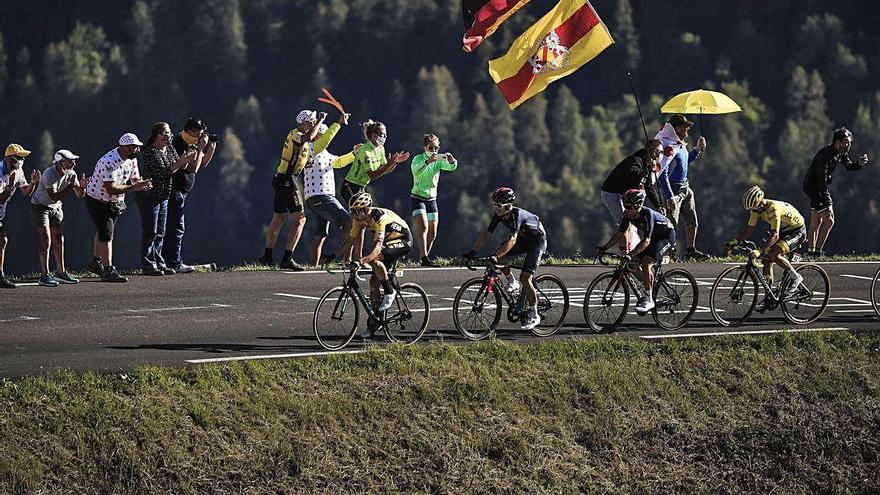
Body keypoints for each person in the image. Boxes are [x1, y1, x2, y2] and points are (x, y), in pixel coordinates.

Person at [261, 109, 348, 269]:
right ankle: (287, 258)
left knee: (279, 218)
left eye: (315, 120)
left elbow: (317, 146)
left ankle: (267, 256)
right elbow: (311, 138)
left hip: (281, 177)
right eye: (312, 121)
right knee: (300, 219)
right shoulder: (297, 135)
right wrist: (327, 121)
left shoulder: (306, 141)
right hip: (287, 178)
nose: (315, 122)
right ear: (304, 123)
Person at [462, 187, 547, 331]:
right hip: (524, 239)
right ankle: (511, 281)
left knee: (525, 278)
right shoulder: (500, 215)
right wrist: (472, 252)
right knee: (499, 253)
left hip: (537, 241)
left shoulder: (517, 215)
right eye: (494, 205)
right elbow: (487, 234)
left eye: (498, 206)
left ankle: (534, 313)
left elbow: (512, 240)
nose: (495, 208)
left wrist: (496, 256)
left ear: (508, 206)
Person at [85, 133, 153, 283]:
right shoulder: (109, 161)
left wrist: (142, 184)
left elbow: (135, 179)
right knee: (107, 234)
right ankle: (108, 269)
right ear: (124, 148)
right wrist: (134, 188)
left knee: (103, 230)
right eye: (134, 147)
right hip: (98, 200)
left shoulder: (131, 159)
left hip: (114, 202)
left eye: (137, 147)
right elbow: (111, 188)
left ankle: (96, 262)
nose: (137, 150)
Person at [727, 186, 807, 311]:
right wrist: (735, 241)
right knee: (765, 261)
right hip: (784, 230)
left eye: (755, 208)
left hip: (797, 231)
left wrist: (760, 250)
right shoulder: (756, 209)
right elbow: (749, 229)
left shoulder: (773, 208)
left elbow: (775, 236)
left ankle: (796, 277)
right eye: (752, 209)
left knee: (774, 254)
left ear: (761, 202)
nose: (754, 211)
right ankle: (769, 297)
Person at [595, 189, 676, 313]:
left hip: (666, 237)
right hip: (653, 238)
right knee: (631, 264)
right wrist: (604, 248)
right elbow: (620, 234)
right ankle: (649, 284)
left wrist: (631, 254)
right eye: (624, 205)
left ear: (637, 206)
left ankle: (649, 300)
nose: (625, 209)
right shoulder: (628, 215)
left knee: (645, 263)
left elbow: (646, 241)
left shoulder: (647, 215)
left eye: (628, 206)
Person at [331, 192, 413, 312]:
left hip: (403, 239)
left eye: (356, 211)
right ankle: (375, 323)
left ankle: (389, 291)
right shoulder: (359, 218)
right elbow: (350, 240)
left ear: (365, 209)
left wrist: (361, 261)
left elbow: (377, 249)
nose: (353, 215)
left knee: (375, 259)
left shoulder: (380, 219)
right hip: (387, 242)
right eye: (352, 211)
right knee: (374, 283)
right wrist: (333, 255)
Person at [339, 120, 410, 258]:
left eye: (385, 134)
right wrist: (389, 163)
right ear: (372, 135)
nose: (384, 137)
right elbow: (372, 174)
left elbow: (384, 170)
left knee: (362, 224)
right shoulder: (365, 151)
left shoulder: (380, 149)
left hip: (361, 187)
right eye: (381, 134)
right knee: (358, 222)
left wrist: (394, 163)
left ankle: (356, 257)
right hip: (350, 186)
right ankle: (347, 257)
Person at [137, 122, 198, 276]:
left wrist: (188, 158)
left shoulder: (169, 148)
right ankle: (148, 265)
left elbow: (177, 167)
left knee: (160, 232)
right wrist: (182, 161)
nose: (167, 135)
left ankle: (159, 262)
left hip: (164, 195)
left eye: (169, 132)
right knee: (150, 231)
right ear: (156, 135)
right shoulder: (152, 152)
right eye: (164, 133)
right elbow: (164, 171)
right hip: (151, 195)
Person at [802, 127, 869, 258]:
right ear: (837, 142)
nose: (848, 145)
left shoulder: (840, 152)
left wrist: (859, 164)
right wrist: (827, 199)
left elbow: (848, 166)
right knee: (829, 221)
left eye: (850, 142)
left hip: (818, 186)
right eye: (846, 142)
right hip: (814, 187)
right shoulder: (825, 155)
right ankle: (817, 253)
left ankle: (811, 253)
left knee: (816, 221)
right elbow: (821, 179)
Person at [30, 149, 88, 286]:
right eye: (70, 161)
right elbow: (53, 196)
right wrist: (70, 185)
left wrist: (83, 187)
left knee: (59, 238)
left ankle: (61, 273)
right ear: (60, 163)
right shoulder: (49, 174)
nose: (73, 164)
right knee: (46, 240)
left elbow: (79, 194)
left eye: (73, 161)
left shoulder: (71, 174)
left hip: (56, 207)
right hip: (40, 206)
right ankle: (44, 275)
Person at [166, 117, 217, 273]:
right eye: (199, 134)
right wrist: (200, 148)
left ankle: (171, 261)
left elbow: (203, 164)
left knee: (175, 226)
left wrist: (211, 148)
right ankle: (174, 262)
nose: (201, 136)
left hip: (183, 190)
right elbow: (192, 168)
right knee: (176, 227)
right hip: (174, 189)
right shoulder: (180, 143)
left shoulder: (192, 143)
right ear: (191, 131)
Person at [655, 114, 709, 261]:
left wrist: (697, 149)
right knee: (672, 222)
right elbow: (662, 173)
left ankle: (691, 250)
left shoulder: (679, 143)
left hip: (685, 189)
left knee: (692, 220)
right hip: (674, 190)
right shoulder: (669, 145)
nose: (688, 130)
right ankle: (669, 252)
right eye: (686, 127)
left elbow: (684, 163)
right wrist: (669, 195)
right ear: (677, 128)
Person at [303, 123, 357, 266]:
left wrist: (353, 154)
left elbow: (339, 162)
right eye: (324, 135)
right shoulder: (311, 148)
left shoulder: (323, 153)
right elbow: (326, 144)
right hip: (322, 196)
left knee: (320, 234)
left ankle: (313, 266)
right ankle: (346, 259)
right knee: (349, 222)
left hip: (313, 199)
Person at [600, 139, 664, 251]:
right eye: (660, 152)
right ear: (653, 151)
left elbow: (649, 188)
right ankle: (625, 255)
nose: (661, 155)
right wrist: (648, 169)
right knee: (624, 225)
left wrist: (658, 205)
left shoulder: (647, 165)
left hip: (622, 193)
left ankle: (629, 253)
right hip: (611, 193)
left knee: (630, 223)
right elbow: (632, 172)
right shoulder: (637, 160)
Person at [410, 133, 458, 266]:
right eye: (431, 148)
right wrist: (427, 162)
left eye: (436, 148)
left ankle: (423, 259)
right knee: (423, 227)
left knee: (432, 233)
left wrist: (452, 161)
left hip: (431, 199)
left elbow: (451, 168)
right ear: (425, 147)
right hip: (418, 197)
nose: (434, 151)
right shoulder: (418, 159)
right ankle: (423, 256)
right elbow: (416, 171)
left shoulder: (438, 160)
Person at [0, 144, 40, 288]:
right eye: (19, 157)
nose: (21, 160)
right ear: (9, 158)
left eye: (23, 158)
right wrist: (10, 187)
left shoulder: (18, 171)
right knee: (2, 239)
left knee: (2, 241)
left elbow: (26, 192)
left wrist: (33, 184)